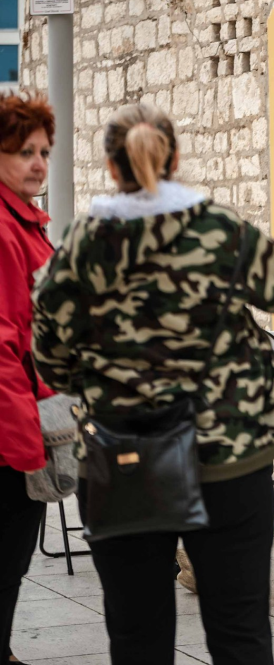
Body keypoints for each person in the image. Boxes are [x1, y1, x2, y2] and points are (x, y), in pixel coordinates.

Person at [31, 104, 274, 665]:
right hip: (230, 455)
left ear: (112, 169)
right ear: (174, 159)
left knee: (137, 636)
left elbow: (49, 355)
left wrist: (102, 381)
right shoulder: (214, 228)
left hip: (122, 458)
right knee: (240, 631)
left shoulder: (86, 243)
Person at [0, 92, 54, 665]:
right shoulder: (6, 229)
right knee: (5, 558)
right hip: (12, 432)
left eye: (43, 150)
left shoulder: (26, 222)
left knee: (13, 562)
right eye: (22, 152)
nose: (38, 162)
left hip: (27, 421)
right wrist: (26, 445)